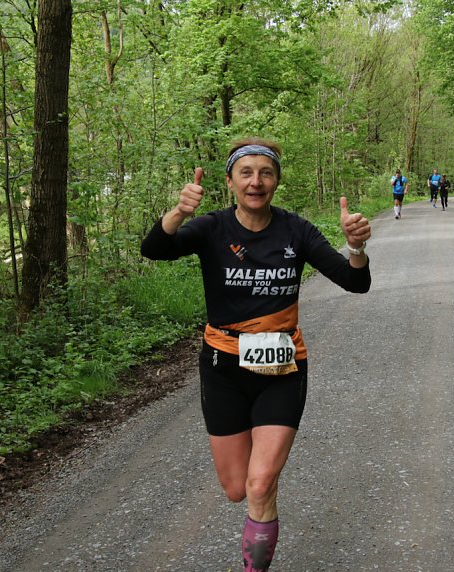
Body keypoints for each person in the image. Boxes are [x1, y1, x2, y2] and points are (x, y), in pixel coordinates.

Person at [140, 137, 372, 572]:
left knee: (260, 482)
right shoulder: (210, 228)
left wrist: (355, 248)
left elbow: (354, 282)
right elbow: (154, 250)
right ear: (230, 181)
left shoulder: (295, 230)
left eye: (265, 173)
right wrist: (178, 213)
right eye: (245, 172)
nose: (256, 181)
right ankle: (261, 495)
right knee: (235, 488)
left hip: (282, 368)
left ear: (277, 181)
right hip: (222, 368)